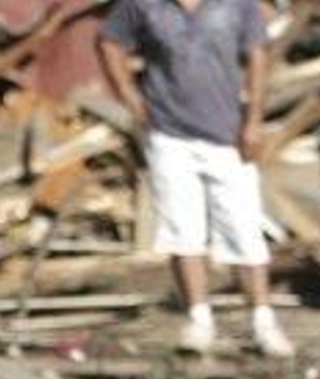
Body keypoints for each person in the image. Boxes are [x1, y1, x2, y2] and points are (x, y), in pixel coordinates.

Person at [101, 0, 295, 358]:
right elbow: (110, 41)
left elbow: (257, 58)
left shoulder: (237, 5)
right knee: (182, 229)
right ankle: (199, 318)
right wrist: (129, 95)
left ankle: (263, 321)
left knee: (244, 229)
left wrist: (253, 121)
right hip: (169, 133)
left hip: (227, 133)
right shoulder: (144, 4)